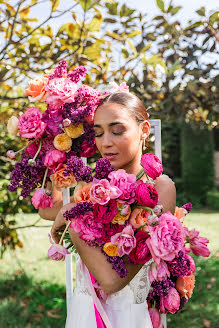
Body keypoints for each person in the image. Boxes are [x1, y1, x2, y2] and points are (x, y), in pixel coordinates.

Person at [39, 91, 176, 328]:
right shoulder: (95, 187)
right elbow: (48, 211)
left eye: (117, 130)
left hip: (126, 318)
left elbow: (112, 281)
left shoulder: (159, 189)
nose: (105, 143)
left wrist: (72, 219)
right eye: (99, 133)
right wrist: (55, 162)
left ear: (144, 131)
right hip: (84, 315)